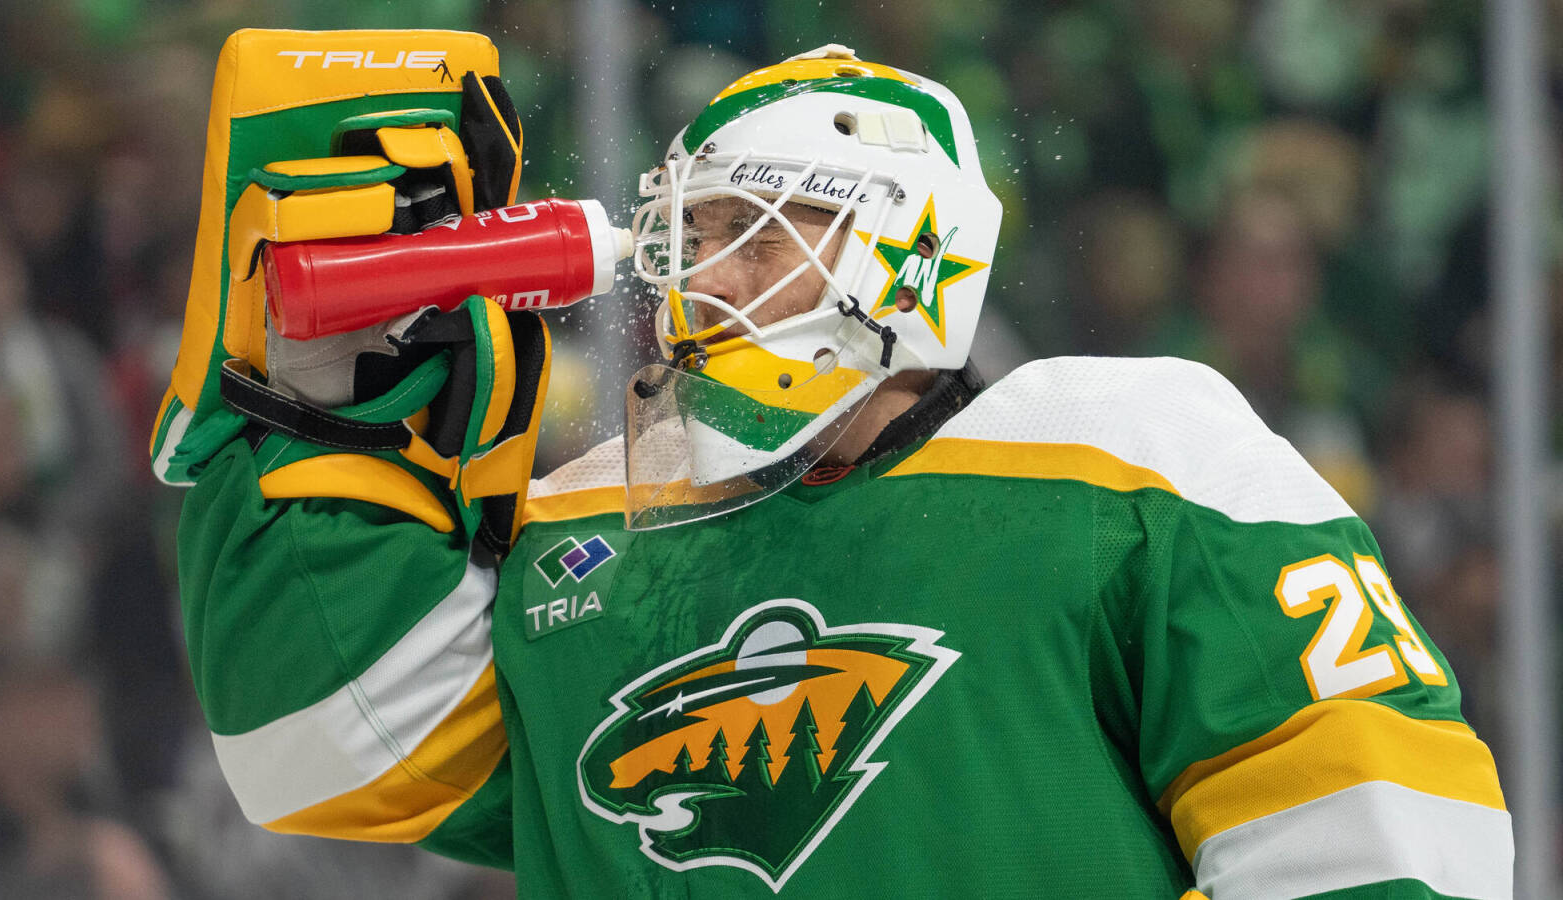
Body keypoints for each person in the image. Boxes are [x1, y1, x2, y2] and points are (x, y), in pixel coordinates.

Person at [170, 45, 1512, 898]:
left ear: (910, 254)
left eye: (772, 231)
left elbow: (1380, 828)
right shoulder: (593, 530)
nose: (715, 274)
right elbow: (323, 753)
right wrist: (319, 405)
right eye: (696, 234)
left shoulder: (1129, 452)